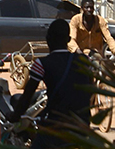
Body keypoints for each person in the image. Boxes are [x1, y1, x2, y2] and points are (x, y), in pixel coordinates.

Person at [11, 18, 94, 147]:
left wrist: (15, 116)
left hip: (57, 126)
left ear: (48, 39)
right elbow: (91, 90)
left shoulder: (42, 64)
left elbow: (27, 96)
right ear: (68, 40)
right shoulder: (84, 60)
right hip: (82, 125)